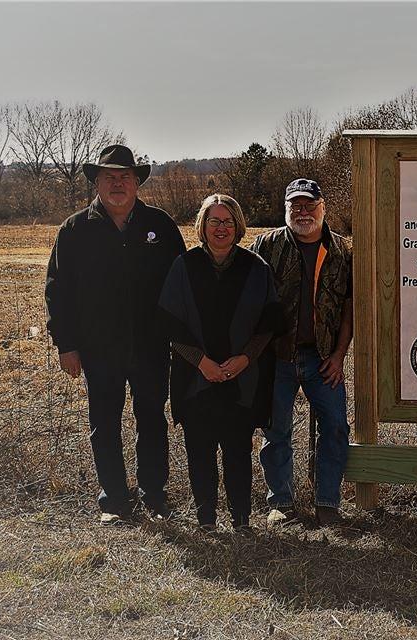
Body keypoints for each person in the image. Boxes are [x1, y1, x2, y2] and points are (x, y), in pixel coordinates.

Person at [44, 144, 186, 525]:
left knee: (152, 419)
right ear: (97, 182)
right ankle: (114, 502)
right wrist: (66, 345)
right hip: (98, 348)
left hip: (151, 346)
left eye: (125, 176)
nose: (118, 183)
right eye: (110, 176)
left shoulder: (161, 226)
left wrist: (182, 339)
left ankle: (154, 496)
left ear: (137, 182)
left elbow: (182, 285)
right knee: (104, 423)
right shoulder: (75, 230)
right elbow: (57, 290)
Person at [158, 194, 283, 531]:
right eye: (214, 221)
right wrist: (201, 362)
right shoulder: (184, 267)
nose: (221, 228)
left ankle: (241, 520)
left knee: (238, 452)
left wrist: (245, 359)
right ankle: (206, 521)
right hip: (196, 378)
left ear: (238, 225)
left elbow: (268, 323)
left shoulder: (256, 269)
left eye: (228, 221)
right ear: (203, 225)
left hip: (241, 379)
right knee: (200, 453)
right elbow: (170, 323)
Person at [250, 178, 353, 527]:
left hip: (323, 357)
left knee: (337, 426)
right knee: (275, 431)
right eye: (295, 205)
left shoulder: (342, 251)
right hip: (276, 357)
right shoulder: (266, 246)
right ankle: (281, 503)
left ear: (323, 207)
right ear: (286, 209)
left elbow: (350, 307)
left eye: (309, 204)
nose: (302, 211)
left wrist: (339, 354)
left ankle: (328, 503)